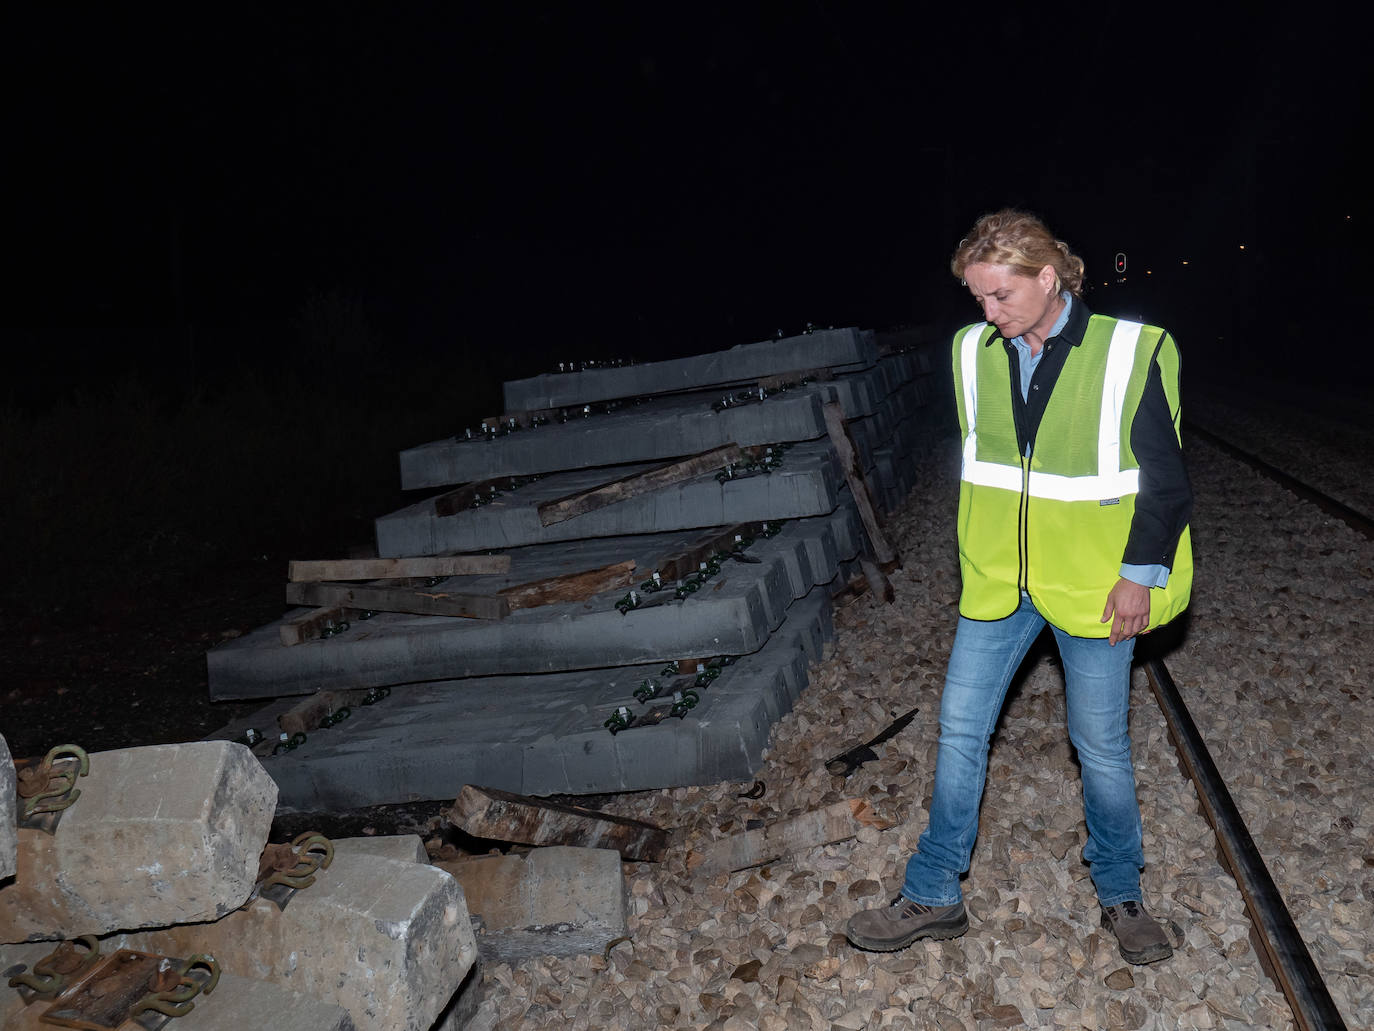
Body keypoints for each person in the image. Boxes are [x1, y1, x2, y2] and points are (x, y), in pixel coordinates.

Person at [846, 210, 1192, 965]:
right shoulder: (975, 351)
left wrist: (1139, 578)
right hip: (1003, 585)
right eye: (978, 298)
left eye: (1000, 295)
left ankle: (1121, 891)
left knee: (1099, 746)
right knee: (959, 728)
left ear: (1048, 277)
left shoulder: (1130, 350)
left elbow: (1165, 486)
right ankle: (934, 891)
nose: (988, 313)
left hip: (1096, 585)